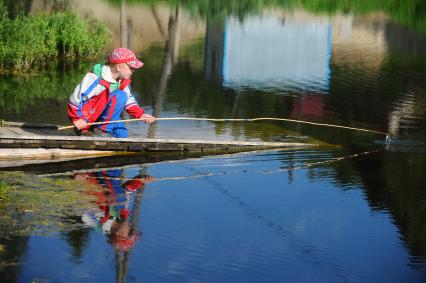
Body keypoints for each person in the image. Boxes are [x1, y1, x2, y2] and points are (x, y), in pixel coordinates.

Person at [67, 47, 156, 138]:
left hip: (103, 116)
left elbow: (128, 101)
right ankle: (100, 131)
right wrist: (77, 119)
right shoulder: (95, 78)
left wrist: (140, 114)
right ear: (119, 67)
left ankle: (103, 131)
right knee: (120, 95)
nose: (133, 71)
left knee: (122, 134)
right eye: (131, 68)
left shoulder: (122, 81)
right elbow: (75, 99)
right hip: (86, 118)